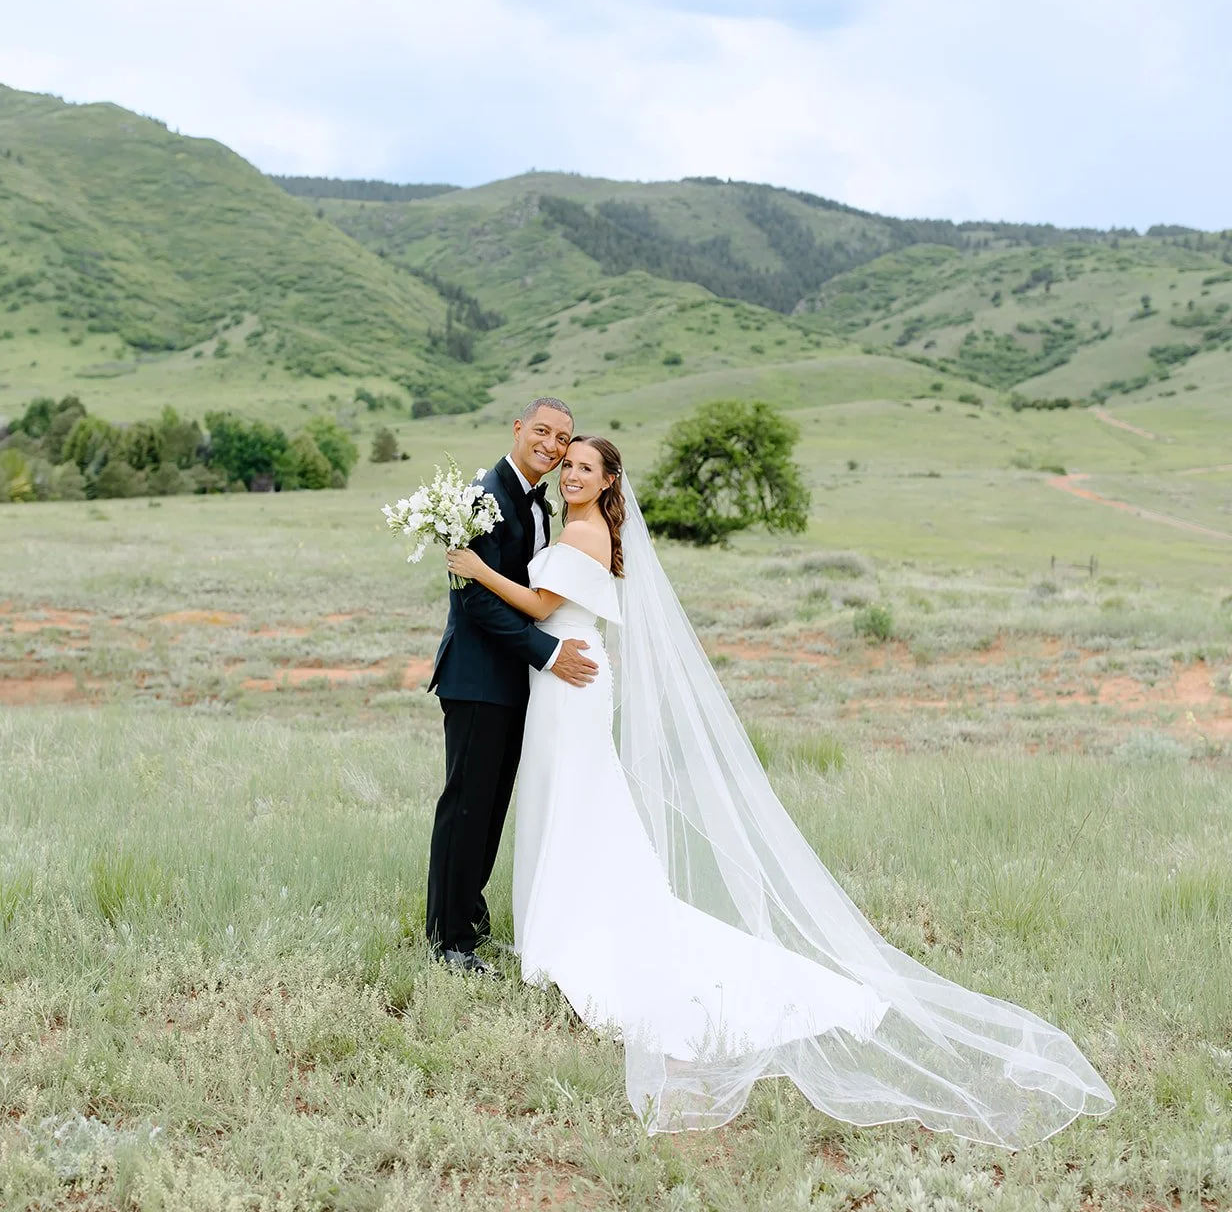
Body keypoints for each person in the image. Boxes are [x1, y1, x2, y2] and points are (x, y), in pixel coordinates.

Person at [447, 436, 1115, 1147]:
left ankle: (572, 931)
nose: (571, 472)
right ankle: (559, 921)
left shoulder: (584, 528)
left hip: (570, 683)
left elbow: (540, 599)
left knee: (578, 802)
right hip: (561, 683)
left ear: (609, 479)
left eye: (585, 466)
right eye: (568, 464)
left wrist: (473, 568)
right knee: (570, 804)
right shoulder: (571, 521)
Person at [425, 397, 597, 972]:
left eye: (562, 439)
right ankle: (448, 941)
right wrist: (547, 653)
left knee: (491, 807)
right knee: (466, 806)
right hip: (477, 677)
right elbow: (474, 601)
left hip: (512, 680)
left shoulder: (540, 504)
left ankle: (467, 923)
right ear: (519, 428)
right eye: (541, 432)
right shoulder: (483, 495)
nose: (551, 445)